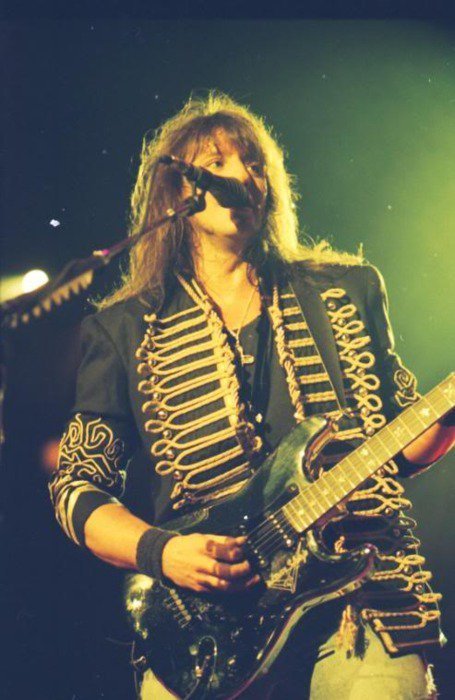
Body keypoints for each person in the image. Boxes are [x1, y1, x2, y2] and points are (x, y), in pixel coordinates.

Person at [49, 92, 454, 699]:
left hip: (361, 600)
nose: (242, 175)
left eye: (255, 163)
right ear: (176, 192)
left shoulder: (345, 288)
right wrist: (163, 552)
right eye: (218, 163)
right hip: (207, 629)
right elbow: (77, 487)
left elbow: (403, 444)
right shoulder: (123, 329)